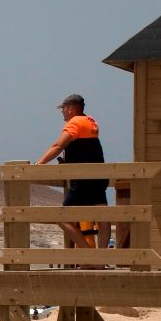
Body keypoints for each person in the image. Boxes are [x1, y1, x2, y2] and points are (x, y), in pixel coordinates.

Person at [37, 93, 109, 250]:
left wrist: (39, 164)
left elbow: (58, 146)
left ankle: (88, 254)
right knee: (103, 217)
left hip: (82, 179)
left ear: (71, 109)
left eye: (63, 108)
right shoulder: (91, 121)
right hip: (99, 177)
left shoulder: (75, 122)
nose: (62, 112)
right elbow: (85, 149)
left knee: (61, 217)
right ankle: (102, 260)